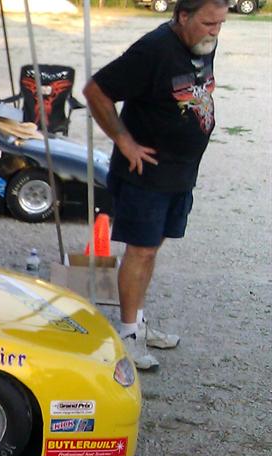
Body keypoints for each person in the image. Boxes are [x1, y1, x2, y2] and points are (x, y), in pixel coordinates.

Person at [82, 0, 228, 370]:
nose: (215, 31)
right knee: (140, 251)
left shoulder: (202, 43)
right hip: (145, 174)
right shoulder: (153, 50)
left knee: (151, 250)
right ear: (182, 16)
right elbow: (96, 90)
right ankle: (128, 335)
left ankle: (138, 323)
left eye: (220, 24)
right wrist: (123, 140)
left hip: (180, 172)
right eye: (208, 23)